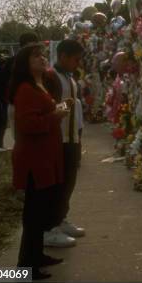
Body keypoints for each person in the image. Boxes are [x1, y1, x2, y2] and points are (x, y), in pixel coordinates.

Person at [9, 43, 69, 280]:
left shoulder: (40, 84)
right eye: (36, 56)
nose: (42, 59)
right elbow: (27, 124)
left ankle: (37, 256)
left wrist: (57, 110)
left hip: (47, 155)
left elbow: (44, 113)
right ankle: (26, 265)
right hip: (35, 159)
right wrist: (55, 116)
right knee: (34, 214)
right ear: (25, 62)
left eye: (43, 55)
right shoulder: (25, 89)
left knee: (42, 210)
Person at [42, 39, 86, 248]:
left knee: (69, 182)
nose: (78, 64)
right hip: (58, 139)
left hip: (72, 138)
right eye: (75, 59)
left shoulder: (69, 76)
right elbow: (48, 110)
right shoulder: (51, 77)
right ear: (63, 56)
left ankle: (60, 219)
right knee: (58, 184)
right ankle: (49, 228)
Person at [4, 32, 41, 141]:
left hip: (29, 103)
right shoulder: (13, 62)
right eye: (33, 44)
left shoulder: (35, 61)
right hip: (17, 104)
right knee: (20, 138)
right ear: (25, 45)